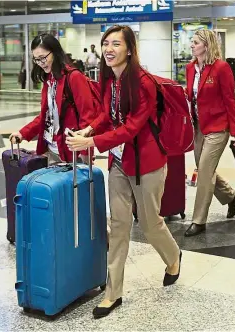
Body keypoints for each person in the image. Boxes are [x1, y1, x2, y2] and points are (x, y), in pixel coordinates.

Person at [65, 25, 182, 318]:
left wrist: (91, 141)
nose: (108, 49)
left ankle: (173, 256)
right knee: (118, 226)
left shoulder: (143, 83)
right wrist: (91, 127)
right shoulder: (109, 80)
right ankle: (113, 293)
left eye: (115, 43)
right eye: (105, 43)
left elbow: (131, 128)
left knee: (150, 222)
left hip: (147, 164)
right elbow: (108, 114)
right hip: (118, 162)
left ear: (130, 49)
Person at [184, 29, 235, 237]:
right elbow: (190, 96)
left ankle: (198, 220)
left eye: (196, 42)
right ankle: (231, 195)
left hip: (219, 127)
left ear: (206, 46)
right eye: (192, 41)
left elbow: (230, 100)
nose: (191, 45)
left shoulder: (221, 68)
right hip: (199, 126)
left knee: (205, 172)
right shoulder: (190, 68)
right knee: (203, 167)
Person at [9, 33, 98, 164]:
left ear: (55, 53)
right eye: (36, 59)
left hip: (72, 151)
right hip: (52, 149)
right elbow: (46, 115)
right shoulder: (48, 79)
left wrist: (86, 151)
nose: (40, 63)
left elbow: (87, 116)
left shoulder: (74, 77)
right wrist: (23, 133)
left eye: (43, 58)